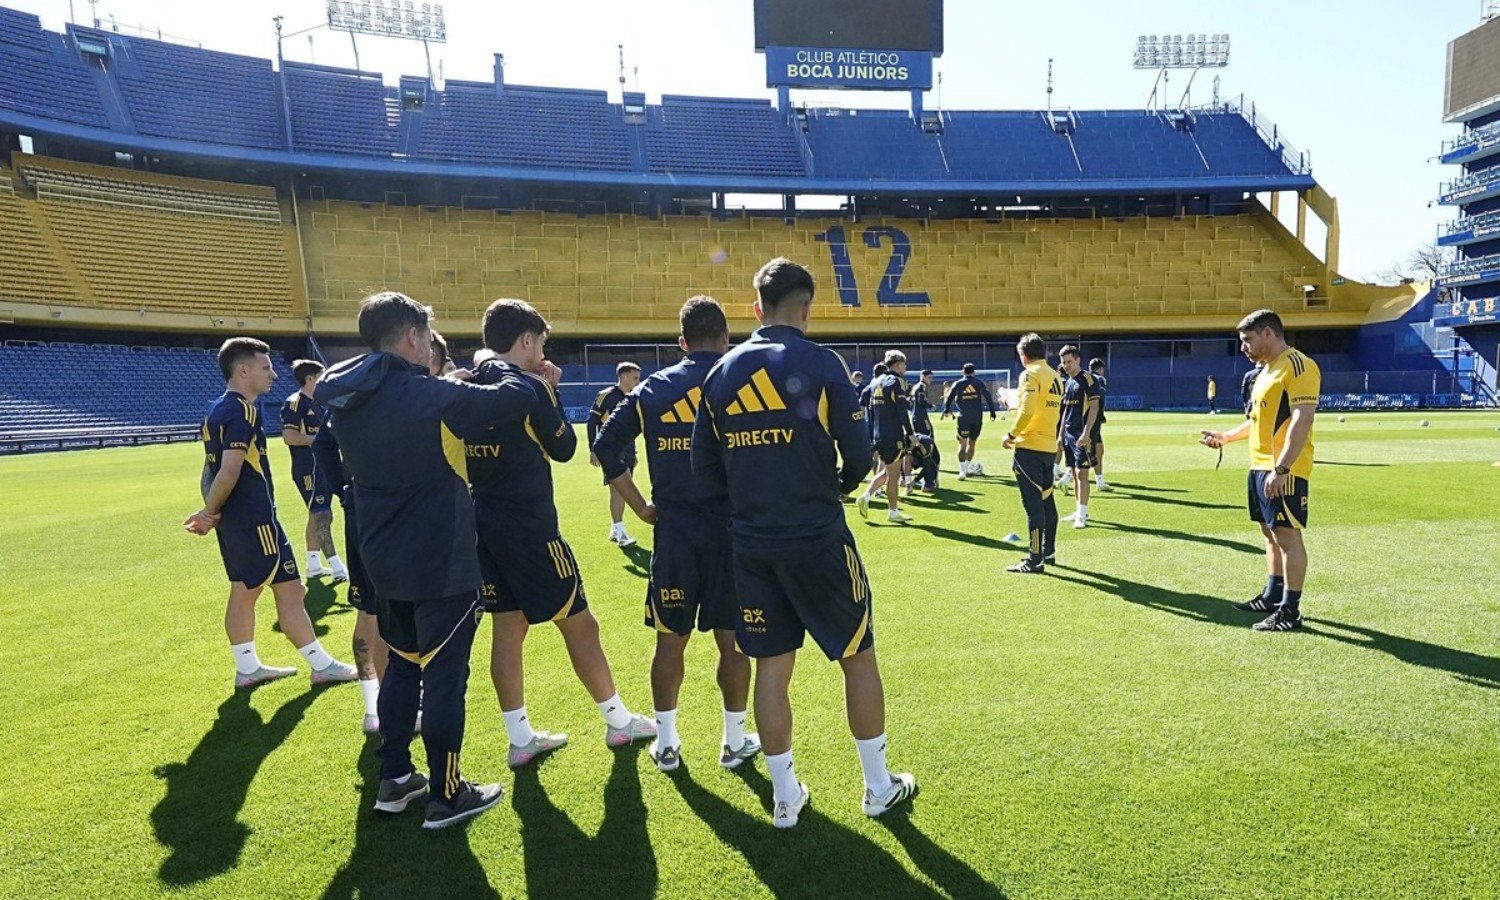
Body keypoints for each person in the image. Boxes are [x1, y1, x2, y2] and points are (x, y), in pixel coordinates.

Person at [693, 257, 916, 829]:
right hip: (818, 537)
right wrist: (836, 485)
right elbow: (859, 453)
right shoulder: (822, 363)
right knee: (857, 657)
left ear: (756, 308)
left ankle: (785, 796)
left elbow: (704, 472)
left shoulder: (720, 373)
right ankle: (878, 787)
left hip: (751, 544)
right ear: (808, 310)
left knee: (771, 666)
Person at [315, 291, 541, 830]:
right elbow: (515, 400)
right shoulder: (423, 393)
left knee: (403, 667)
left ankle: (395, 776)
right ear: (414, 336)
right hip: (440, 556)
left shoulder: (345, 391)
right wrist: (495, 365)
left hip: (381, 555)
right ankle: (447, 794)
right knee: (444, 677)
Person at [469, 299, 656, 770]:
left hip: (483, 521)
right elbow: (565, 448)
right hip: (531, 528)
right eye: (540, 344)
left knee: (508, 628)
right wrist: (549, 389)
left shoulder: (472, 381)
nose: (542, 354)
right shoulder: (530, 387)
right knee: (580, 624)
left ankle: (520, 738)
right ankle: (618, 721)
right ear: (526, 340)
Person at [593, 295, 760, 774]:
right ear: (726, 338)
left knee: (670, 642)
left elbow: (605, 446)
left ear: (682, 342)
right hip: (732, 535)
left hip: (675, 536)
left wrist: (640, 506)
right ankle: (733, 742)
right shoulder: (741, 383)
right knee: (734, 643)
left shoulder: (652, 388)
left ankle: (667, 745)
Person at [184, 338, 359, 692]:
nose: (274, 375)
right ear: (243, 370)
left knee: (288, 589)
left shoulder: (216, 409)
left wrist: (214, 511)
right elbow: (228, 470)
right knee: (249, 591)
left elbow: (209, 469)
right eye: (265, 368)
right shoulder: (243, 411)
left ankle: (273, 667)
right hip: (255, 520)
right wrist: (208, 511)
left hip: (242, 520)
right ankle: (302, 667)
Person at [1200, 310, 1320, 632]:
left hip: (1283, 467)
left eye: (1247, 340)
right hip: (1259, 465)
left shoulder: (1298, 365)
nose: (1243, 348)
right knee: (1269, 532)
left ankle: (1290, 611)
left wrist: (1282, 467)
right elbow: (1256, 421)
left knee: (1287, 535)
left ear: (1268, 333)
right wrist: (1226, 437)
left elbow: (1302, 419)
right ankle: (1272, 596)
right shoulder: (1263, 372)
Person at [311, 405, 386, 734]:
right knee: (381, 609)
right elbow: (322, 443)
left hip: (365, 506)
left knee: (372, 609)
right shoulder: (385, 389)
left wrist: (344, 489)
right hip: (384, 511)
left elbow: (322, 443)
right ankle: (383, 706)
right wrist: (343, 487)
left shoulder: (347, 390)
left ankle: (377, 706)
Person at [280, 359, 348, 582]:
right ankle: (337, 567)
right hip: (308, 469)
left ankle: (313, 565)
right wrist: (319, 440)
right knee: (322, 515)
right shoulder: (294, 403)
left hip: (324, 466)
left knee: (317, 514)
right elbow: (289, 437)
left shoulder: (320, 403)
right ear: (310, 379)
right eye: (321, 376)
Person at [1002, 334, 1063, 574]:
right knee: (1047, 501)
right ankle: (1048, 552)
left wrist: (1011, 434)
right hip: (1049, 446)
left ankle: (1034, 559)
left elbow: (1027, 410)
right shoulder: (1054, 375)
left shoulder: (1030, 374)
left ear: (1023, 354)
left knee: (1033, 507)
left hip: (1030, 447)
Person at [588, 362, 642, 547]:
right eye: (635, 378)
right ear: (624, 376)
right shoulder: (606, 395)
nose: (637, 382)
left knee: (624, 490)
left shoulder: (633, 397)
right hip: (611, 449)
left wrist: (634, 452)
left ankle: (615, 528)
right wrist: (593, 449)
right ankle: (620, 533)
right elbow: (592, 422)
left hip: (628, 450)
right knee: (618, 489)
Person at [857, 349, 914, 524]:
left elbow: (866, 407)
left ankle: (866, 496)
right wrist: (911, 434)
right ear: (898, 364)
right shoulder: (897, 382)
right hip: (893, 434)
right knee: (893, 476)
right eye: (904, 364)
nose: (905, 367)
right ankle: (893, 512)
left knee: (887, 469)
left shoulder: (875, 382)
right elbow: (902, 411)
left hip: (878, 434)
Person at [1057, 346, 1101, 530]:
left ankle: (1082, 516)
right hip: (1068, 435)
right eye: (1063, 362)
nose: (1066, 365)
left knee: (1082, 473)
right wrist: (1060, 435)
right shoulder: (1068, 382)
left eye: (1069, 361)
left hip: (1081, 435)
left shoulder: (1088, 379)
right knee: (1074, 473)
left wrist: (1086, 432)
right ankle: (1078, 511)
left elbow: (1095, 406)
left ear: (1078, 360)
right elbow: (1065, 411)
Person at [941, 362, 997, 480]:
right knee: (972, 443)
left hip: (963, 418)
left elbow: (950, 398)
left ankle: (962, 472)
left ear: (963, 371)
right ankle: (966, 468)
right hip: (977, 418)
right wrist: (992, 411)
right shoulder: (978, 383)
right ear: (974, 372)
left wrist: (946, 410)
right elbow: (988, 397)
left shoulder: (957, 384)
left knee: (962, 444)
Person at [1087, 358, 1111, 492]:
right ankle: (1066, 479)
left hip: (1085, 418)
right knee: (1090, 452)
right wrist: (1101, 415)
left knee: (1098, 450)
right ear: (1101, 369)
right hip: (1094, 419)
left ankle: (1100, 481)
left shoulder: (1086, 377)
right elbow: (1099, 398)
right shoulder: (1100, 379)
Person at [911, 369, 935, 437]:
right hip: (921, 417)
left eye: (932, 377)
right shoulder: (922, 386)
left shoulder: (915, 386)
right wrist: (931, 406)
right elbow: (921, 401)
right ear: (923, 377)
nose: (931, 379)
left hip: (915, 416)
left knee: (919, 437)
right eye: (929, 377)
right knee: (929, 434)